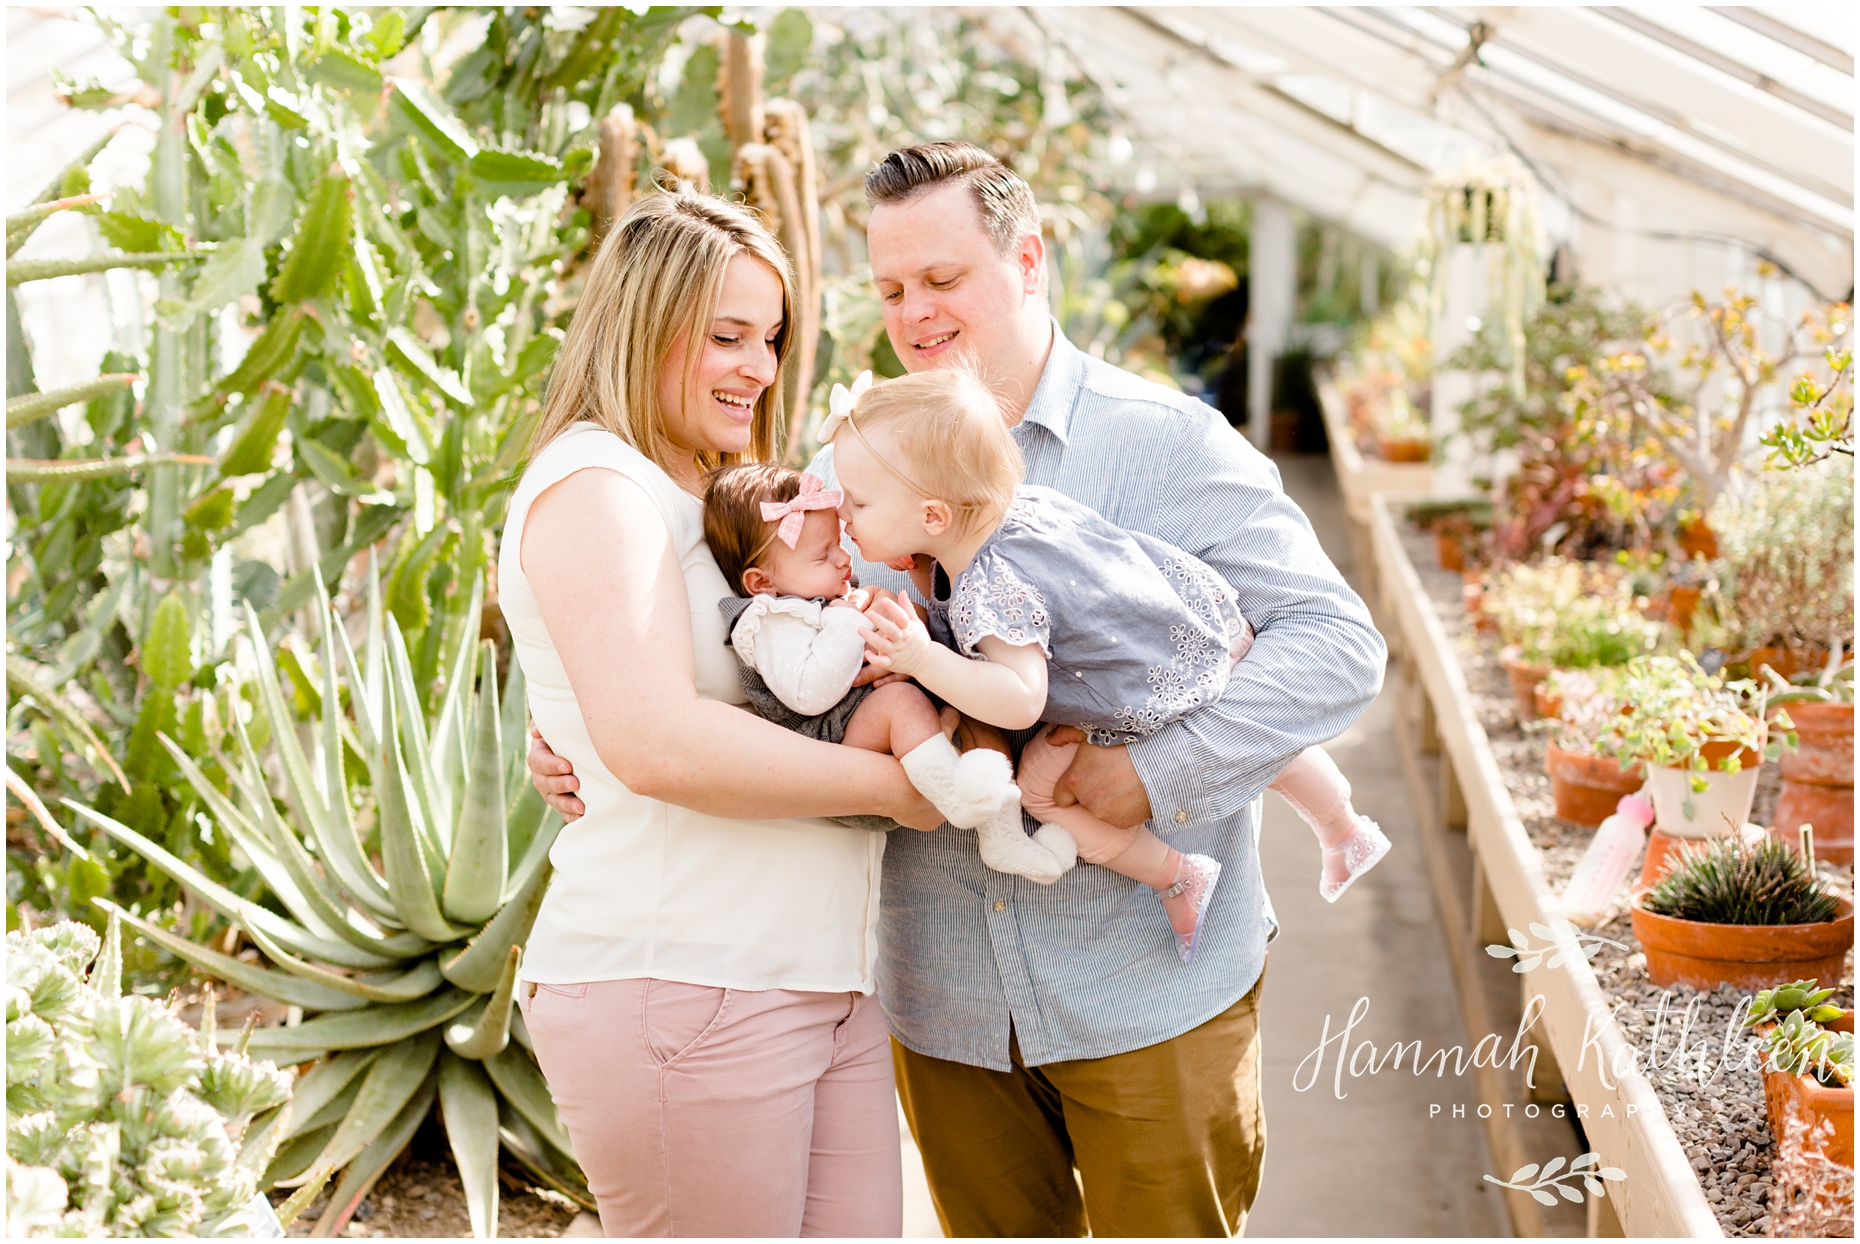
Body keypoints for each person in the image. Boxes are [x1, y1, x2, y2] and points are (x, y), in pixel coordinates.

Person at [530, 143, 1387, 1237]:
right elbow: (730, 652)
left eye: (943, 279)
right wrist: (563, 730)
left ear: (1027, 260)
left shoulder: (1165, 446)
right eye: (890, 289)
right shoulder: (845, 478)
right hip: (946, 1008)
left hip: (1145, 991)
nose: (915, 312)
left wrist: (1147, 773)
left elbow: (1336, 644)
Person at [499, 192, 936, 1237]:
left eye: (773, 337)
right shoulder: (598, 486)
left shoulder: (722, 490)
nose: (761, 367)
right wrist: (904, 789)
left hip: (819, 973)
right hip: (685, 976)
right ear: (642, 325)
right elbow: (653, 738)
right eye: (727, 335)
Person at [823, 368, 1392, 962]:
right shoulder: (1017, 513)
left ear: (935, 517)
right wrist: (922, 581)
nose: (844, 516)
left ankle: (1175, 875)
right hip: (1191, 633)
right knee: (1278, 752)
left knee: (1043, 796)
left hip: (1132, 692)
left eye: (858, 503)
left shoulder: (991, 586)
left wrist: (921, 657)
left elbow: (1019, 697)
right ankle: (1343, 825)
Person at [699, 459, 1020, 835]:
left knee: (965, 702)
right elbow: (809, 694)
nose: (843, 558)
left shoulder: (821, 592)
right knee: (901, 701)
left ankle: (1006, 834)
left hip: (874, 730)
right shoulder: (769, 621)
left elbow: (920, 633)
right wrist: (853, 619)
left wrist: (898, 621)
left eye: (838, 543)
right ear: (761, 582)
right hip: (834, 747)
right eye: (822, 555)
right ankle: (958, 801)